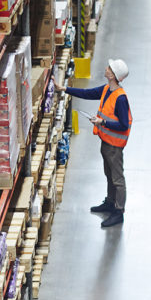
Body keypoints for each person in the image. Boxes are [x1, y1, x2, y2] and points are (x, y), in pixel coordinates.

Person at [64, 58, 133, 228]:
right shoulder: (106, 89)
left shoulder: (121, 98)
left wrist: (102, 123)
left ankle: (119, 212)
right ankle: (110, 202)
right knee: (109, 175)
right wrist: (65, 89)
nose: (106, 68)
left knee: (117, 179)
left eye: (109, 68)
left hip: (115, 146)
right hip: (106, 142)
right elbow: (87, 94)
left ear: (114, 75)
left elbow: (124, 124)